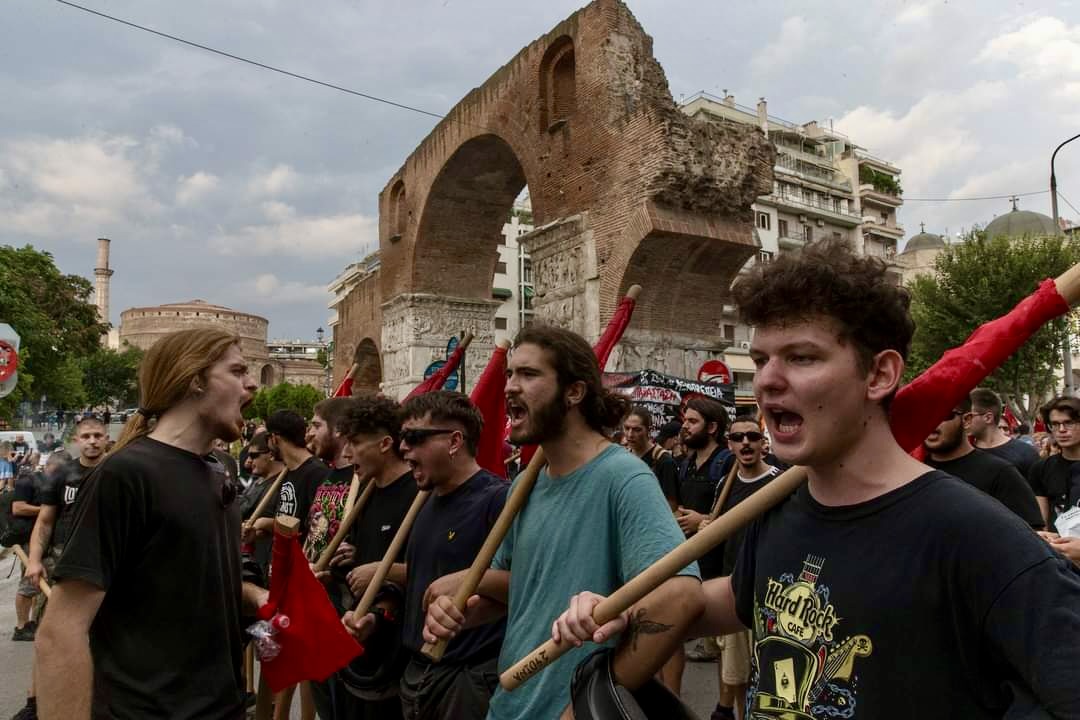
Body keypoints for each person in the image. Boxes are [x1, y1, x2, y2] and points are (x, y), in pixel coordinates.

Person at [555, 238, 1080, 718]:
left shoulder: (976, 535)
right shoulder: (776, 509)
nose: (767, 380)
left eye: (801, 357)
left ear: (880, 374)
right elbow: (737, 598)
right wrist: (624, 609)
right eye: (761, 359)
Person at [422, 325, 703, 720]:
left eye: (528, 374)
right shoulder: (525, 484)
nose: (510, 387)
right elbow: (517, 589)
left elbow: (682, 597)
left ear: (574, 392)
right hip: (509, 704)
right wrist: (463, 610)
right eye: (510, 374)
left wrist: (586, 706)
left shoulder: (623, 477)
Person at [35, 327, 270, 720]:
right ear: (195, 380)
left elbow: (197, 581)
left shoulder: (219, 472)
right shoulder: (125, 475)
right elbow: (61, 633)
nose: (251, 384)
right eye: (236, 371)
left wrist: (259, 597)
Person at [346, 391, 508, 720]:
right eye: (402, 437)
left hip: (467, 679)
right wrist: (376, 617)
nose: (403, 447)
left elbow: (527, 585)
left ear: (454, 441)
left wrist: (471, 580)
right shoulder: (424, 501)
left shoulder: (497, 501)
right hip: (416, 675)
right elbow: (417, 581)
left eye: (414, 437)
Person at [333, 395, 419, 720]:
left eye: (355, 442)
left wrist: (382, 572)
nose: (346, 453)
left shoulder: (417, 494)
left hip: (397, 659)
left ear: (385, 444)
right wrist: (346, 562)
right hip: (360, 649)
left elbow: (431, 572)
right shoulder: (365, 493)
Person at [698, 415, 780, 720]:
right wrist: (708, 527)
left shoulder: (779, 482)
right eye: (738, 437)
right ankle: (728, 711)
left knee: (757, 672)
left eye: (752, 436)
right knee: (733, 667)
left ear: (762, 443)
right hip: (730, 586)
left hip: (765, 589)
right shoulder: (725, 483)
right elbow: (717, 527)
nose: (745, 442)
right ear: (730, 445)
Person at [923, 395, 1044, 528]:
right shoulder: (913, 470)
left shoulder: (1000, 473)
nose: (929, 424)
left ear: (967, 420)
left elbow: (1031, 533)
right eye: (921, 416)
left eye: (942, 416)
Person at [675, 396, 732, 666]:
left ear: (711, 427)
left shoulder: (727, 463)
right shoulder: (686, 463)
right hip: (691, 557)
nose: (685, 426)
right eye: (685, 420)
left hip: (718, 561)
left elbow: (739, 510)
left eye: (692, 421)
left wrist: (703, 521)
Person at [969, 387, 1039, 477]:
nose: (963, 421)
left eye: (969, 416)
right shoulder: (962, 453)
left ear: (988, 418)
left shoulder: (1025, 453)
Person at [622, 407, 678, 510]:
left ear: (649, 429)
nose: (630, 434)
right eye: (627, 428)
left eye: (637, 430)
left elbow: (671, 504)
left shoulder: (664, 461)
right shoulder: (624, 457)